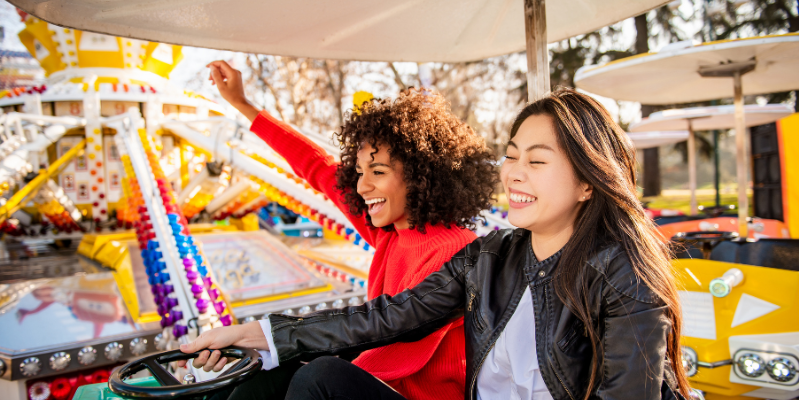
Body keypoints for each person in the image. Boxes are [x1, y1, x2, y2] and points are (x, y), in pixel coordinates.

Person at [182, 88, 691, 400]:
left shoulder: (621, 274)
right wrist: (260, 335)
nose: (514, 172)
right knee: (289, 377)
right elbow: (388, 317)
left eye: (536, 161)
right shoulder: (491, 256)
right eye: (511, 156)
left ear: (588, 183)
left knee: (318, 378)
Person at [189, 61, 498, 400]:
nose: (362, 186)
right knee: (264, 373)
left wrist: (283, 345)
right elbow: (316, 166)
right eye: (360, 171)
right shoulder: (390, 233)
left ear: (420, 175)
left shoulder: (457, 249)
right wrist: (243, 104)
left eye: (377, 172)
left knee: (319, 375)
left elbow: (392, 335)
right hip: (381, 384)